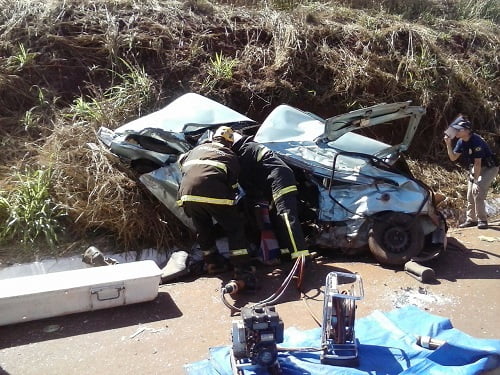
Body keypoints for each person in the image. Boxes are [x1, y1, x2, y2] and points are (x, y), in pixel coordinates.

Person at [177, 126, 249, 274]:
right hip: (214, 193)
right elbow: (233, 184)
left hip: (187, 194)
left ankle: (213, 264)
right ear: (230, 142)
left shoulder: (197, 149)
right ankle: (241, 268)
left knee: (203, 229)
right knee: (234, 228)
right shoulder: (229, 154)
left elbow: (181, 163)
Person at [232, 134, 310, 261]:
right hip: (275, 182)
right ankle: (286, 253)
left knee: (286, 217)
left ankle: (301, 257)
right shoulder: (251, 147)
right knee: (276, 217)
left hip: (280, 181)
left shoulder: (246, 150)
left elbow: (246, 180)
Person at [444, 116, 499, 229]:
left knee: (478, 192)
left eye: (459, 129)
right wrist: (448, 144)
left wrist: (475, 182)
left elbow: (478, 163)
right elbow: (453, 158)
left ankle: (482, 220)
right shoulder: (461, 141)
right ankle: (471, 220)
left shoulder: (476, 141)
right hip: (476, 167)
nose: (456, 131)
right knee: (470, 195)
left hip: (489, 168)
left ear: (467, 130)